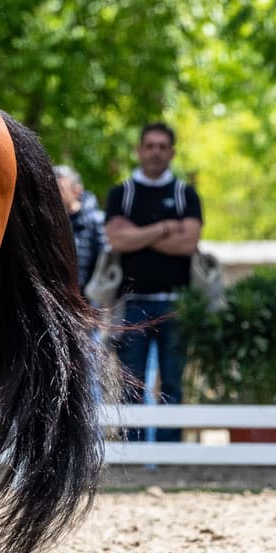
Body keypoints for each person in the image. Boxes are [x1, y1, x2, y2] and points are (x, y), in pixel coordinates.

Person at [102, 122, 202, 444]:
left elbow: (188, 244)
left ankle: (168, 451)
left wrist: (139, 235)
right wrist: (163, 230)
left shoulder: (185, 195)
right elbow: (116, 239)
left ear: (171, 152)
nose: (156, 152)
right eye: (150, 146)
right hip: (133, 304)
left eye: (162, 147)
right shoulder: (122, 194)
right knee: (132, 382)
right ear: (139, 150)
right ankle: (134, 451)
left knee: (172, 382)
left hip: (177, 304)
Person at [55, 165, 107, 294]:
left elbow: (104, 265)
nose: (53, 194)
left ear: (77, 191)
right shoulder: (51, 222)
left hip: (90, 302)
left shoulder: (97, 221)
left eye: (59, 189)